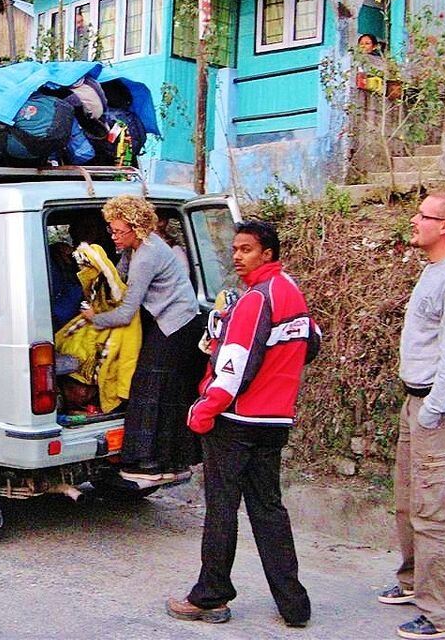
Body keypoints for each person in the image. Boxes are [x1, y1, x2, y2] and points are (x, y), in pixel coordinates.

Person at [167, 219, 320, 628]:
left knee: (221, 509)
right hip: (274, 421)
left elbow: (233, 369)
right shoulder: (292, 292)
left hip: (235, 422)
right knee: (269, 510)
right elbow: (311, 345)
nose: (237, 256)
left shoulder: (255, 299)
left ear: (267, 253)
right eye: (235, 248)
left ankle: (210, 597)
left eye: (246, 249)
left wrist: (203, 410)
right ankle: (294, 605)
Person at [377, 192, 445, 640]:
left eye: (425, 215)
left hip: (437, 406)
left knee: (436, 508)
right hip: (417, 401)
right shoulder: (435, 272)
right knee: (408, 498)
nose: (415, 220)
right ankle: (413, 581)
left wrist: (432, 413)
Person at [80, 194, 203, 481]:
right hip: (170, 320)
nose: (114, 236)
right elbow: (117, 282)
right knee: (157, 388)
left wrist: (93, 319)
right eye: (111, 230)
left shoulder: (147, 255)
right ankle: (163, 463)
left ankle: (149, 463)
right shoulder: (133, 250)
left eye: (119, 231)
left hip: (178, 325)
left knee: (151, 386)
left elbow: (125, 312)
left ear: (137, 227)